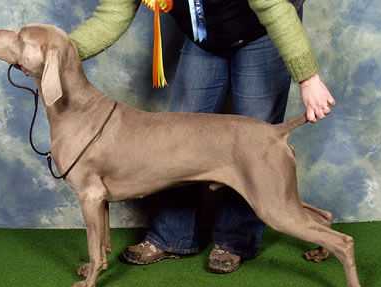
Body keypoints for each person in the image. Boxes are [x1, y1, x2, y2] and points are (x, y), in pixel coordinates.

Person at [69, 0, 335, 273]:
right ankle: (173, 236)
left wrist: (308, 78)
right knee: (176, 142)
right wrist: (60, 51)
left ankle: (234, 242)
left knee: (254, 144)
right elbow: (113, 13)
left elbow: (273, 7)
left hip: (261, 30)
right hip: (205, 36)